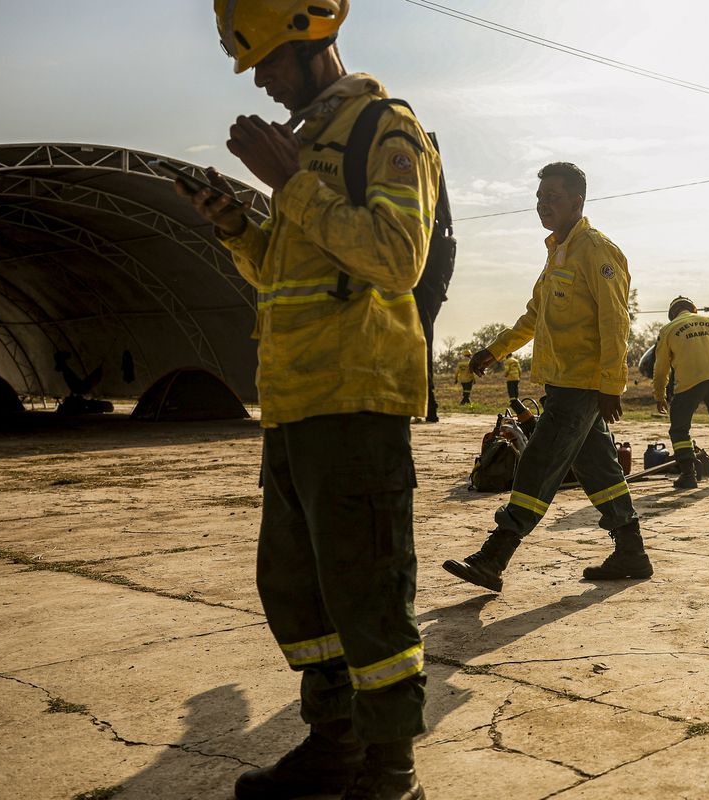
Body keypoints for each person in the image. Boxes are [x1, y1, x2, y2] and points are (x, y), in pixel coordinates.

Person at [183, 2, 437, 797]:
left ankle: (391, 773)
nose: (260, 80)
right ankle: (335, 746)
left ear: (310, 41)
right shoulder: (308, 146)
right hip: (293, 403)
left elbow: (397, 260)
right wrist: (236, 228)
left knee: (367, 591)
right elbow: (291, 275)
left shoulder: (383, 132)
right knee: (297, 589)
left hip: (357, 399)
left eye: (267, 62)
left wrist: (289, 183)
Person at [443, 162, 648, 593]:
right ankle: (631, 551)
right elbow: (534, 317)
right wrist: (493, 350)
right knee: (599, 470)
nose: (543, 205)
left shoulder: (595, 250)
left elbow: (616, 321)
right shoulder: (557, 252)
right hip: (562, 384)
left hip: (582, 385)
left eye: (552, 197)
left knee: (537, 466)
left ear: (578, 201)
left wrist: (611, 385)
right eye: (539, 198)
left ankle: (494, 557)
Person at [652, 296, 709, 488]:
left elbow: (660, 370)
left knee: (680, 428)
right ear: (694, 309)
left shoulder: (668, 330)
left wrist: (660, 396)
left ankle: (688, 475)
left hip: (688, 383)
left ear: (672, 315)